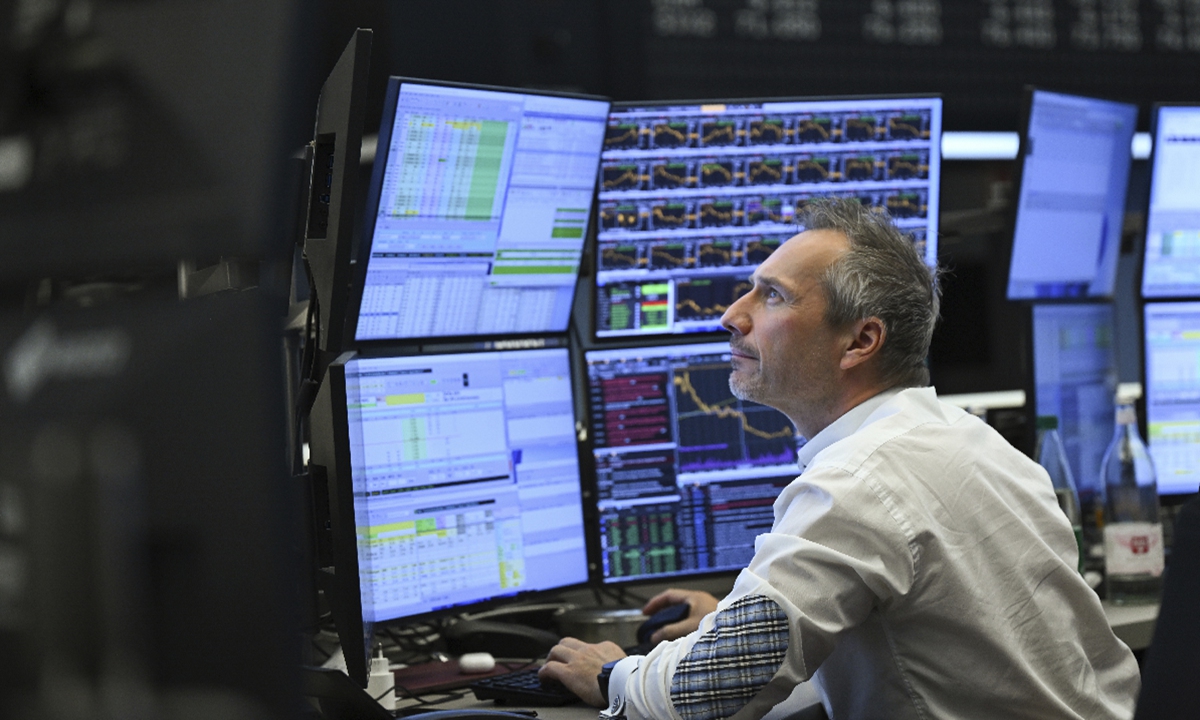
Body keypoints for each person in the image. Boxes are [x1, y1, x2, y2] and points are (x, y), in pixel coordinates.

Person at [539, 198, 1140, 719]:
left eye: (771, 296)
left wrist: (610, 673)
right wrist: (734, 622)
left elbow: (704, 697)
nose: (732, 315)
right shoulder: (971, 442)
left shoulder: (856, 482)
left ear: (860, 341)